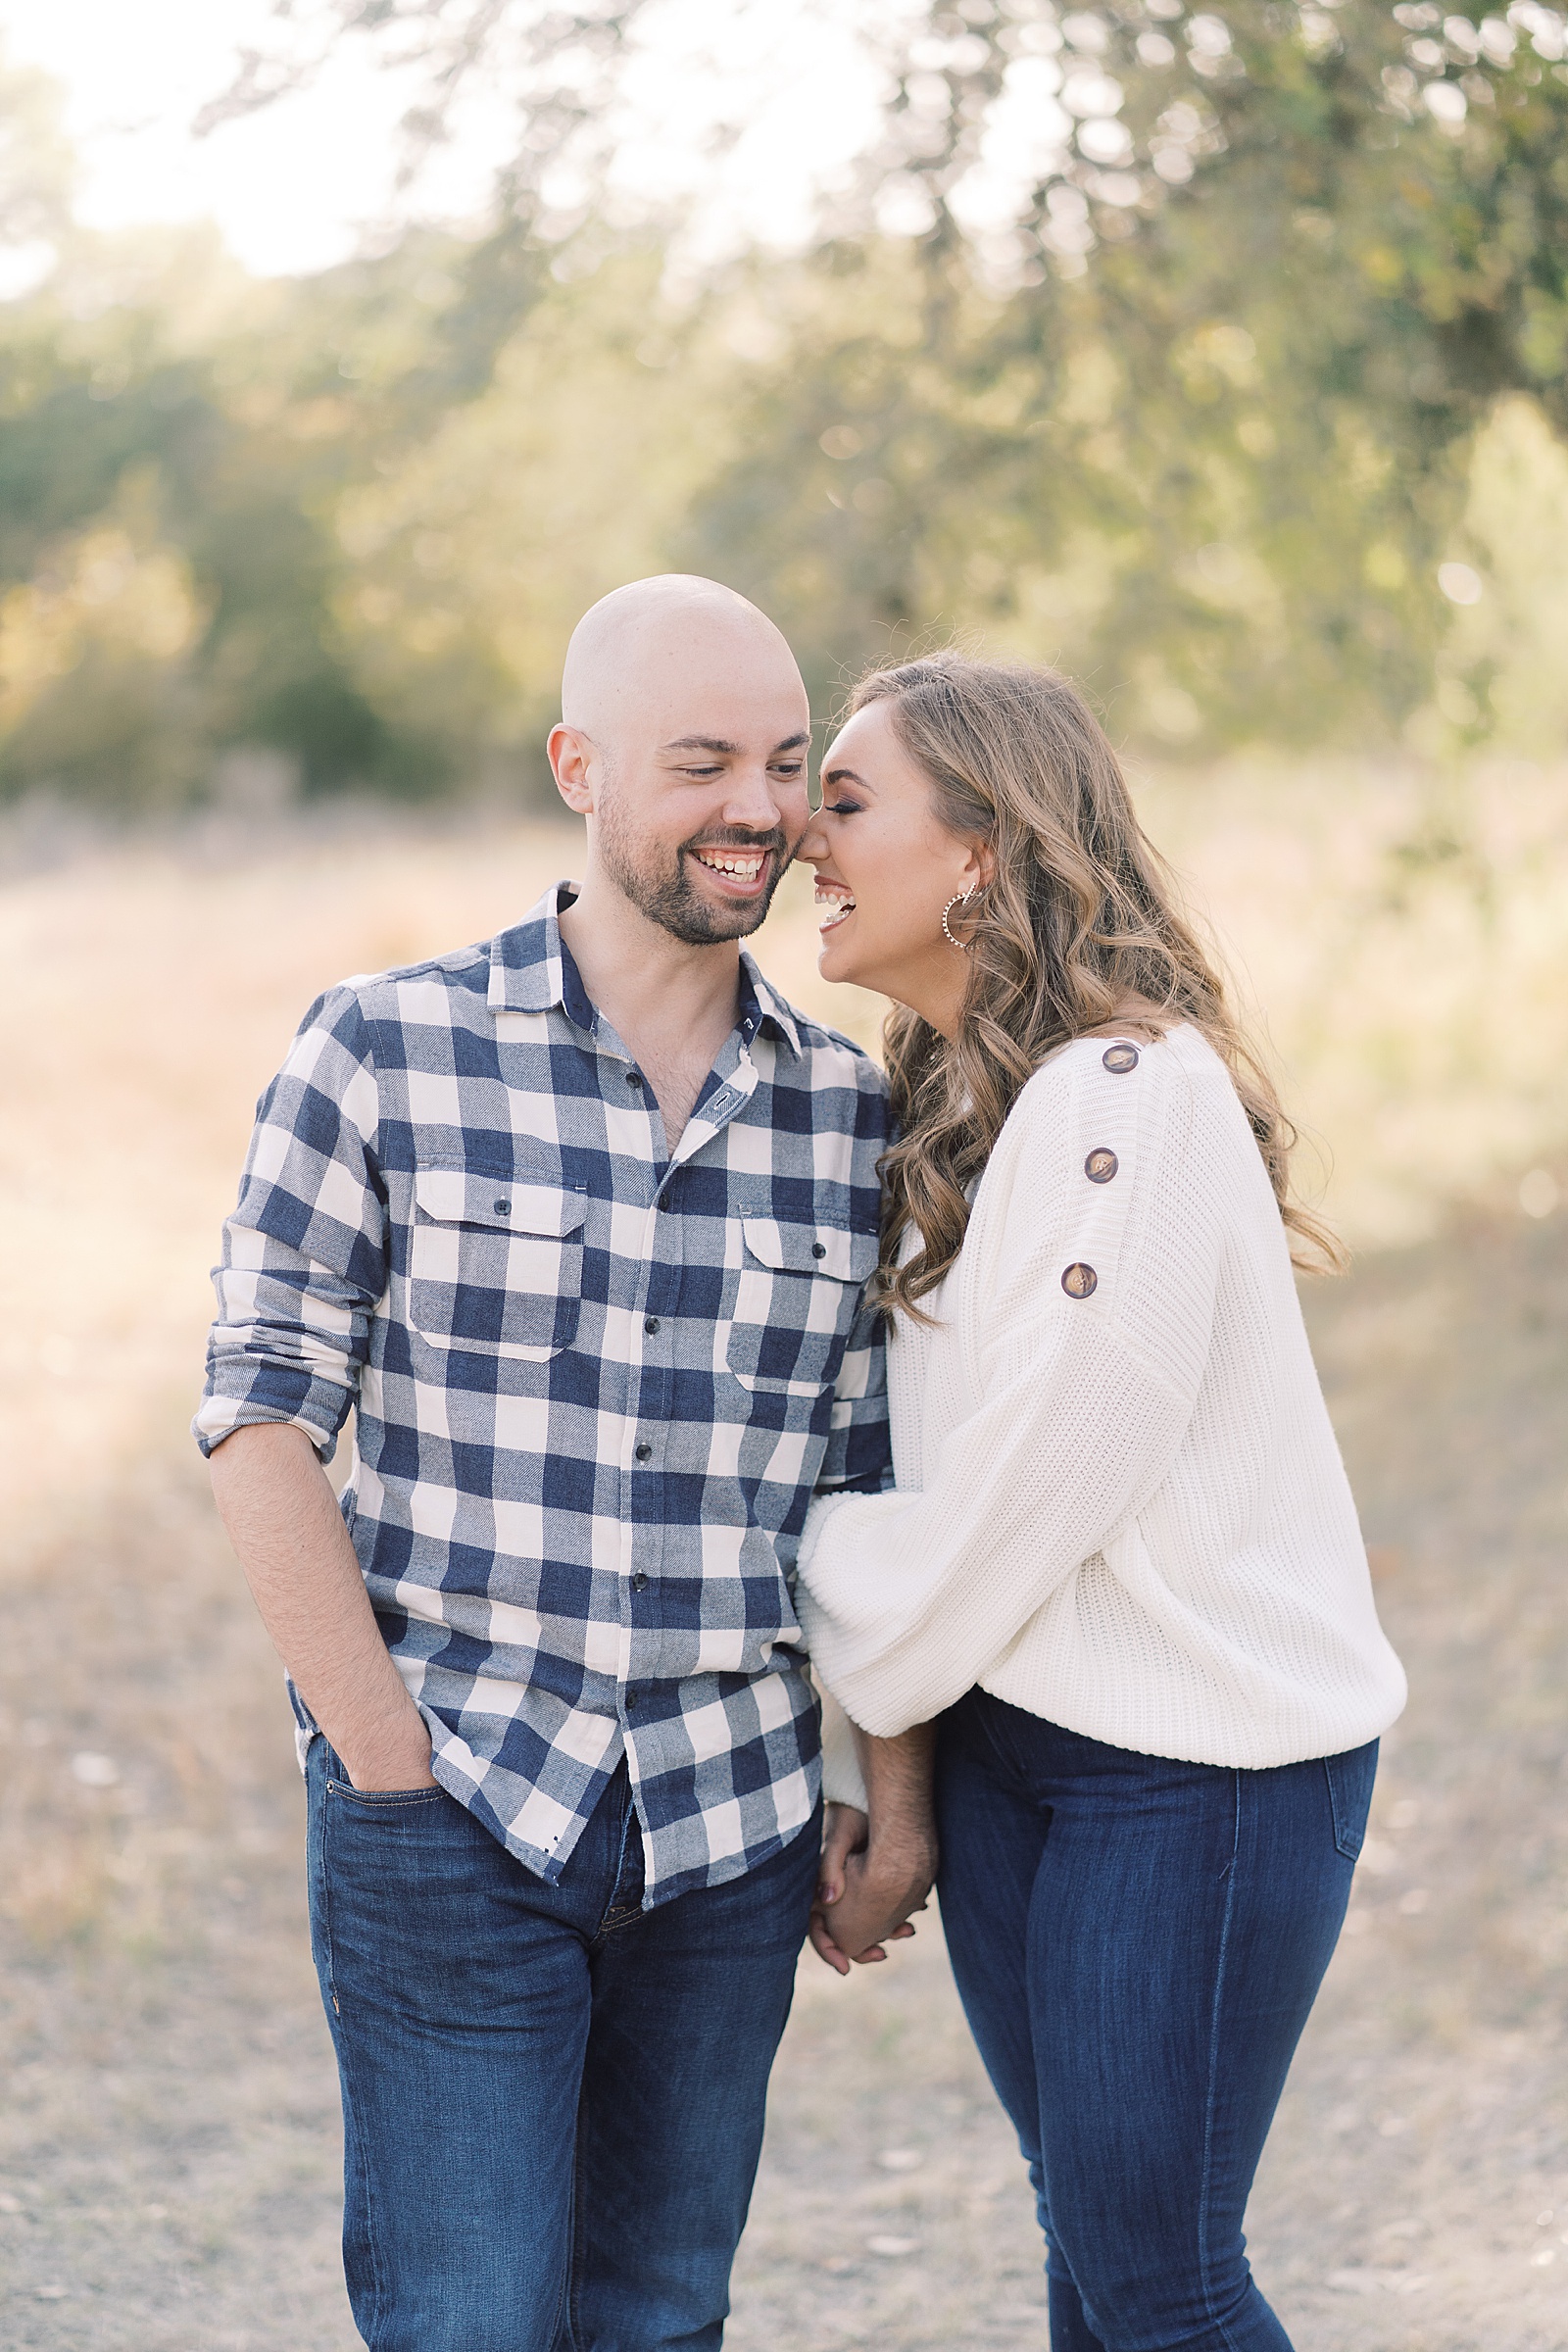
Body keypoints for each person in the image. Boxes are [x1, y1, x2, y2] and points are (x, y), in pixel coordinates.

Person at [195, 574, 919, 2352]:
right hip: (450, 1799)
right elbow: (261, 1413)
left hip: (732, 1823)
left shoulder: (851, 1116)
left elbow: (869, 1489)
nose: (757, 809)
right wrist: (381, 1758)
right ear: (577, 769)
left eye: (782, 762)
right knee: (466, 2322)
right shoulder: (383, 1048)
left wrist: (883, 1789)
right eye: (700, 763)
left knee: (662, 2317)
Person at [793, 654, 1407, 2352]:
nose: (797, 842)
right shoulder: (944, 1099)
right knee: (1091, 2249)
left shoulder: (1128, 1096)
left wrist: (800, 1556)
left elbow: (1012, 1503)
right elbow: (930, 1471)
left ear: (982, 845)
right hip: (1012, 1751)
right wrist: (893, 1780)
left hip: (1198, 1775)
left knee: (1160, 2278)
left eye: (845, 801)